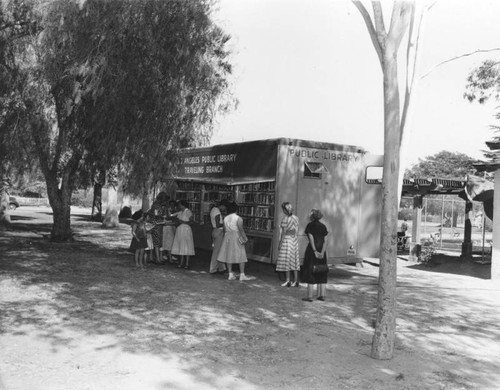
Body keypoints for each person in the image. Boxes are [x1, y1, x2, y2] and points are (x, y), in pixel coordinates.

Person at [217, 201, 255, 281]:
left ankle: (230, 274)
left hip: (227, 237)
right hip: (236, 237)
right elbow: (241, 230)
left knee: (228, 255)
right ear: (236, 210)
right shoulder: (238, 218)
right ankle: (242, 274)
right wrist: (245, 238)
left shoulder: (225, 218)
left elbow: (224, 230)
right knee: (241, 255)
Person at [301, 209, 329, 302]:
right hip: (322, 251)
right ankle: (322, 295)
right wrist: (322, 252)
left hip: (312, 251)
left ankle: (309, 296)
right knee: (321, 270)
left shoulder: (310, 226)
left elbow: (311, 239)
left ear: (312, 216)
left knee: (310, 270)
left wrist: (314, 251)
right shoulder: (323, 226)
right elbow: (325, 241)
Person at [275, 202, 300, 287]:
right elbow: (296, 230)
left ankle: (288, 280)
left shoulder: (285, 219)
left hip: (287, 241)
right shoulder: (296, 218)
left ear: (285, 210)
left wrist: (280, 244)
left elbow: (284, 233)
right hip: (294, 240)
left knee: (287, 261)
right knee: (294, 261)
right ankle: (296, 281)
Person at [171, 200, 195, 269]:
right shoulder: (180, 212)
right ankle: (181, 262)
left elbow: (191, 221)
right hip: (180, 230)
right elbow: (175, 220)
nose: (179, 206)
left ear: (183, 205)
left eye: (180, 205)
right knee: (181, 245)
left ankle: (187, 263)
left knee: (187, 246)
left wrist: (183, 222)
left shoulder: (188, 212)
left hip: (186, 230)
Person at [209, 200, 227, 274]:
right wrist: (225, 224)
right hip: (219, 231)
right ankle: (213, 268)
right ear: (221, 205)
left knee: (219, 250)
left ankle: (221, 268)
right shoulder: (217, 211)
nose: (224, 209)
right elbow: (217, 224)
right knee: (217, 251)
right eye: (224, 207)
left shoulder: (213, 210)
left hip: (214, 231)